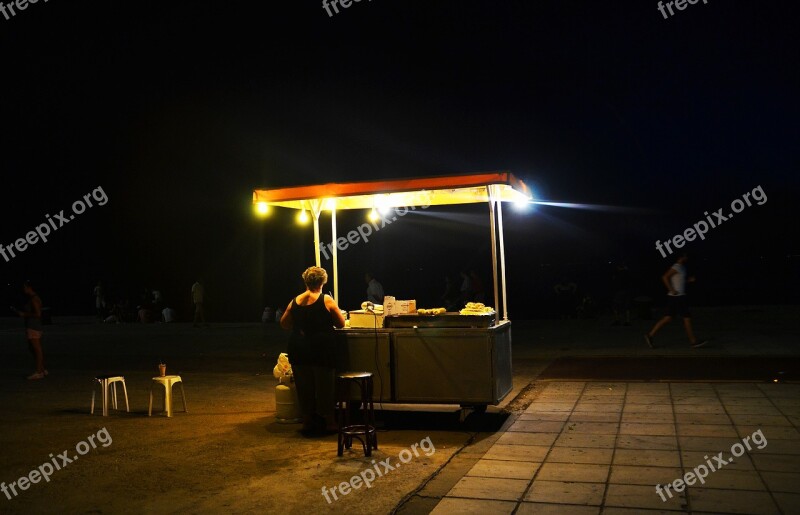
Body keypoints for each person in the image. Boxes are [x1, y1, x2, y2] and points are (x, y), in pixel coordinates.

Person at [280, 266, 346, 433]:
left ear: (306, 281)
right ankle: (330, 422)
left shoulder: (295, 300)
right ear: (323, 282)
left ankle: (307, 421)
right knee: (325, 387)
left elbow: (284, 324)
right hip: (321, 350)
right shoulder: (326, 300)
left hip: (299, 349)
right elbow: (340, 324)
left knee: (304, 387)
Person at [644, 252, 707, 349]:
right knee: (687, 318)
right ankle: (693, 341)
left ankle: (650, 335)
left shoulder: (682, 267)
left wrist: (688, 281)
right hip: (678, 297)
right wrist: (671, 289)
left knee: (668, 318)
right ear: (681, 257)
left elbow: (679, 282)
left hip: (676, 297)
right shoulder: (676, 266)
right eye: (685, 255)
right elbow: (664, 277)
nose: (687, 257)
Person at [13, 281, 47, 380]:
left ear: (29, 287)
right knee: (33, 348)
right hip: (34, 326)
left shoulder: (34, 299)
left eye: (25, 287)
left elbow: (37, 314)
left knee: (37, 349)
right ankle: (42, 369)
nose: (23, 289)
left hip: (33, 326)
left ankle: (39, 371)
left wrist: (24, 314)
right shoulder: (34, 298)